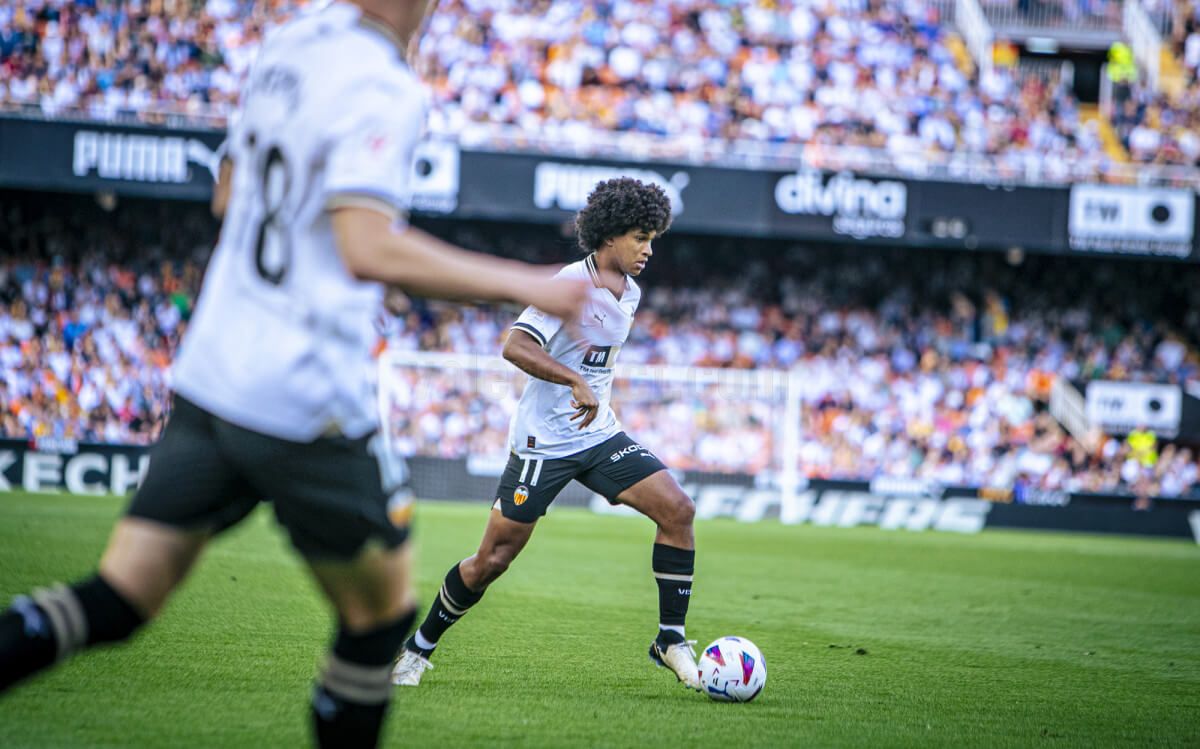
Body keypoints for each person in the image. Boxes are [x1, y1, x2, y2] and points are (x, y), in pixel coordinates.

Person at [0, 2, 587, 747]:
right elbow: (366, 247)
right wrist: (530, 283)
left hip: (213, 376)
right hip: (305, 395)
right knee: (379, 614)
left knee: (120, 596)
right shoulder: (385, 86)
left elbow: (225, 193)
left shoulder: (291, 43)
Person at [391, 177, 702, 691]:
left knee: (678, 510)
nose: (649, 249)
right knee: (492, 561)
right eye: (639, 237)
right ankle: (418, 648)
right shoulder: (569, 286)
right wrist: (574, 379)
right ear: (608, 237)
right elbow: (514, 346)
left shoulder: (632, 291)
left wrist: (589, 388)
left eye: (653, 238)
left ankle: (669, 639)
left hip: (599, 435)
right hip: (544, 445)